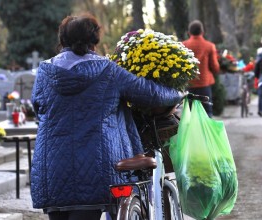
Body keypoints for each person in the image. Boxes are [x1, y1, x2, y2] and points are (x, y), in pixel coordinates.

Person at [30, 13, 184, 220]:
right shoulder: (108, 70)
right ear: (94, 40)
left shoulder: (45, 72)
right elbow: (149, 93)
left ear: (62, 39)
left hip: (53, 166)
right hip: (96, 165)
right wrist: (179, 93)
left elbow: (38, 107)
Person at [183, 20, 220, 117]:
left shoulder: (183, 45)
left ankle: (193, 132)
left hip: (189, 84)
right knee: (207, 112)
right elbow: (215, 67)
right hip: (204, 83)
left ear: (189, 32)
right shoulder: (209, 46)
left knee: (190, 113)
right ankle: (206, 132)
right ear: (202, 32)